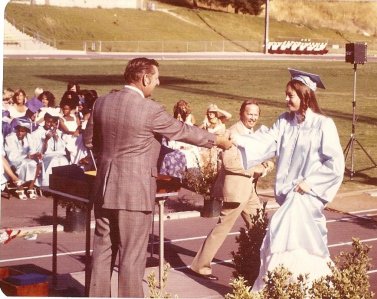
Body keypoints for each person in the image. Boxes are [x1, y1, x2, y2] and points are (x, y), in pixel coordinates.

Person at [83, 57, 232, 298]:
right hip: (135, 191)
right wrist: (217, 140)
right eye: (156, 78)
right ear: (145, 79)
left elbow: (89, 141)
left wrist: (109, 160)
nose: (158, 82)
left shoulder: (101, 103)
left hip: (104, 188)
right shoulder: (150, 109)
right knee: (131, 257)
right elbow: (183, 131)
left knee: (102, 253)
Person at [233, 69, 345, 291]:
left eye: (290, 95)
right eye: (286, 94)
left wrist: (310, 182)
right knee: (291, 242)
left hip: (307, 195)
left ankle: (299, 287)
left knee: (285, 236)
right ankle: (294, 288)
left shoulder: (323, 125)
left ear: (305, 96)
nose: (286, 99)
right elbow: (267, 141)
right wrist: (239, 140)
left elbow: (335, 163)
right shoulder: (284, 122)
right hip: (288, 194)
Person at [190, 99, 274, 281]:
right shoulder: (232, 133)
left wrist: (267, 162)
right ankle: (200, 266)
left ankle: (264, 265)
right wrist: (256, 169)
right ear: (241, 113)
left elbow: (256, 156)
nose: (252, 117)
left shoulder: (253, 133)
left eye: (255, 114)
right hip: (236, 190)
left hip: (249, 190)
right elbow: (230, 163)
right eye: (249, 113)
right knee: (222, 228)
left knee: (260, 227)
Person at [29, 111, 69, 187]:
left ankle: (61, 186)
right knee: (54, 160)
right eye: (49, 122)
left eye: (53, 122)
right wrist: (46, 140)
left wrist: (56, 136)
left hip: (58, 155)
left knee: (64, 161)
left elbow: (61, 149)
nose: (50, 124)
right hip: (45, 157)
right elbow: (40, 151)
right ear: (45, 119)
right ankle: (49, 185)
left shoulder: (58, 133)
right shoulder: (37, 133)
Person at [4, 119, 39, 199]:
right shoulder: (10, 138)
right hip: (13, 161)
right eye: (18, 131)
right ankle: (20, 188)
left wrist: (35, 154)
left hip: (26, 159)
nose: (20, 133)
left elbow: (32, 150)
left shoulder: (29, 137)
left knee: (37, 162)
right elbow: (12, 156)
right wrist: (26, 156)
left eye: (23, 131)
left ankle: (30, 187)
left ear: (26, 132)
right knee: (24, 163)